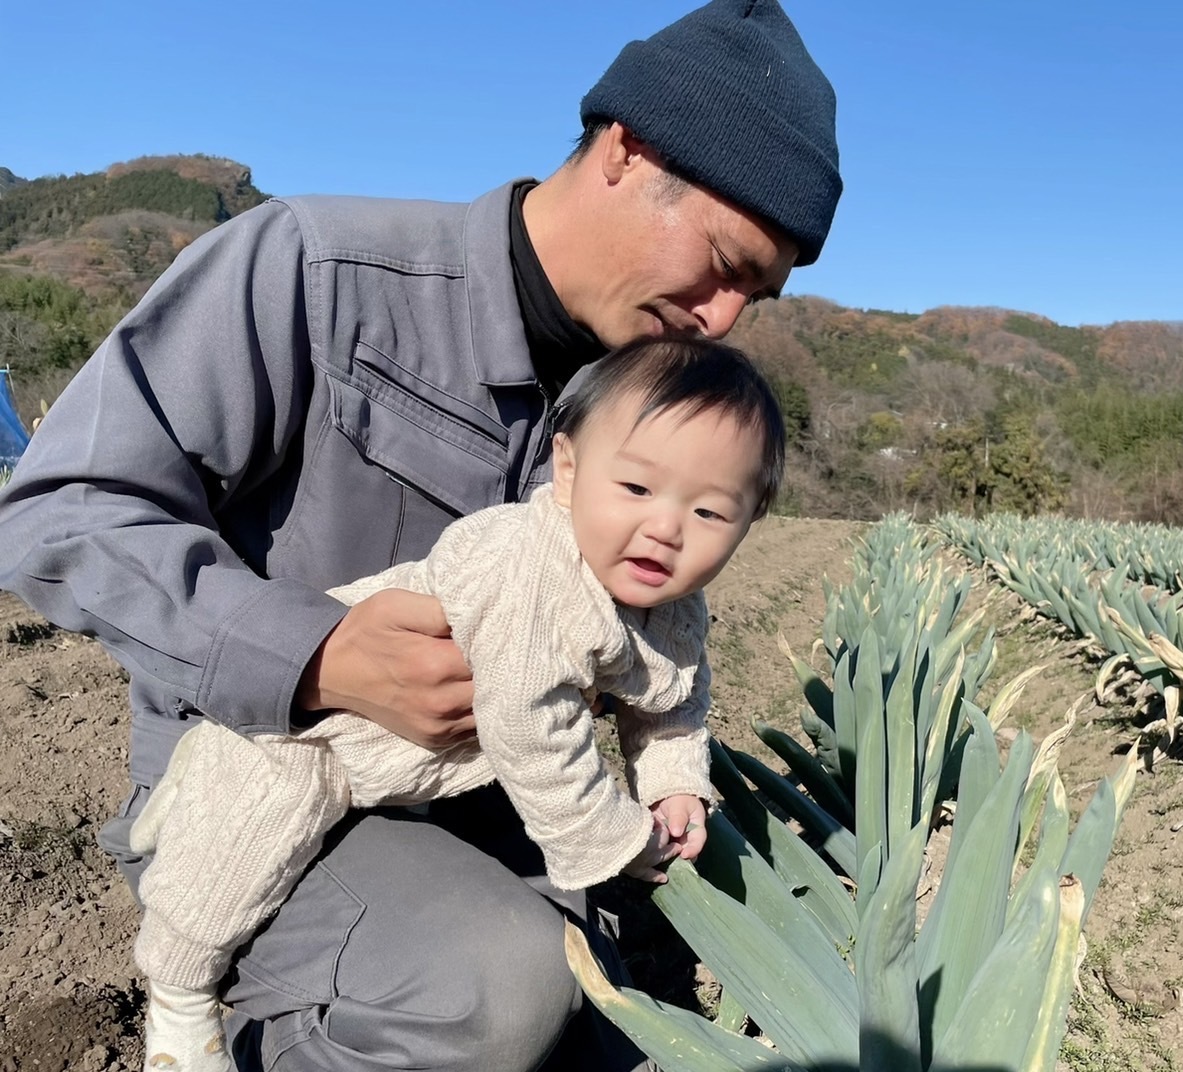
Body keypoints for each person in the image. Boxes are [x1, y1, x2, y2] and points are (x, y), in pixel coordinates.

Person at [0, 0, 840, 1068]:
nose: (723, 318)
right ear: (627, 150)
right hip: (269, 780)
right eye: (722, 260)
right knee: (497, 987)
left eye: (755, 295)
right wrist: (312, 655)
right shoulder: (318, 271)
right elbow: (62, 503)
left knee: (609, 1016)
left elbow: (663, 663)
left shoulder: (652, 413)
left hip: (488, 813)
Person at [127, 337, 784, 1072]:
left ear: (749, 523)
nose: (665, 528)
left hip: (412, 781)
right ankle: (179, 1011)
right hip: (304, 739)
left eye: (708, 511)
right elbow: (533, 733)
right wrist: (621, 840)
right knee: (228, 873)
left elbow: (671, 706)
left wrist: (672, 785)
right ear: (568, 472)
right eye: (636, 489)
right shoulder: (526, 568)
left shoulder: (675, 609)